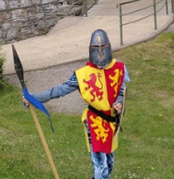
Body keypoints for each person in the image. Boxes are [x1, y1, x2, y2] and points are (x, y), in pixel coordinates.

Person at [25, 29, 129, 179]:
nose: (100, 54)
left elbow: (121, 89)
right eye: (96, 49)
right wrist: (35, 98)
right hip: (95, 123)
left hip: (111, 123)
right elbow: (60, 90)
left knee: (110, 164)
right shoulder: (82, 74)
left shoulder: (119, 68)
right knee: (102, 168)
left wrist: (119, 102)